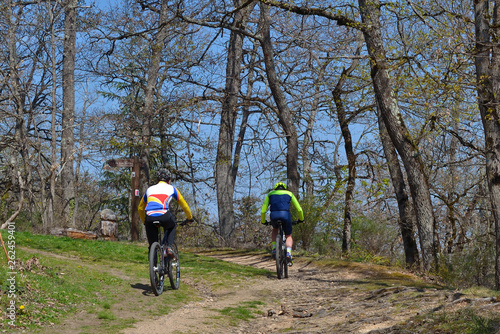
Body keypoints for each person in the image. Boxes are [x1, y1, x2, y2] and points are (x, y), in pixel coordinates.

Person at [138, 168, 194, 258]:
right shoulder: (172, 188)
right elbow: (184, 204)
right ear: (169, 180)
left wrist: (144, 221)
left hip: (149, 217)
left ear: (157, 180)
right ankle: (169, 248)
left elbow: (140, 208)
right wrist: (190, 217)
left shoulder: (149, 189)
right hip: (164, 215)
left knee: (152, 243)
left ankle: (153, 266)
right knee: (172, 225)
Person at [260, 181, 304, 266]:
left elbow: (263, 211)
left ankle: (274, 248)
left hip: (274, 215)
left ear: (275, 188)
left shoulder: (270, 194)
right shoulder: (289, 193)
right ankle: (288, 253)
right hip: (285, 215)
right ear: (284, 188)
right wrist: (301, 219)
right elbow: (299, 209)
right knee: (288, 235)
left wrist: (263, 221)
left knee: (275, 229)